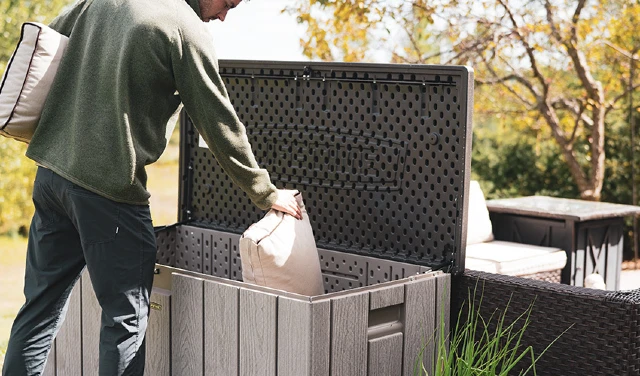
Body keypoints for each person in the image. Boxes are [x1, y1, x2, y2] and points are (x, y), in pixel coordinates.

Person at [2, 0, 301, 375]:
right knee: (126, 320)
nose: (224, 15)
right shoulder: (185, 31)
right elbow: (219, 122)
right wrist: (266, 192)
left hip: (52, 177)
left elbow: (45, 42)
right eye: (227, 3)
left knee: (38, 309)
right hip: (109, 192)